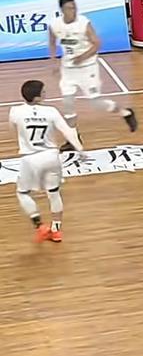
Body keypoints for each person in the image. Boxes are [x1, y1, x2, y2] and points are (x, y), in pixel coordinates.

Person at [48, 0, 138, 144]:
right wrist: (53, 61)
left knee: (96, 102)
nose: (74, 10)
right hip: (68, 69)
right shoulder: (55, 24)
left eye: (74, 7)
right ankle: (73, 139)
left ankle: (126, 113)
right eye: (70, 8)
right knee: (67, 104)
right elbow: (52, 42)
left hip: (87, 68)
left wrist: (82, 57)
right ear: (62, 10)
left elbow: (97, 44)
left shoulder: (83, 23)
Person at [8, 79, 83, 243]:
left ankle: (39, 226)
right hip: (51, 157)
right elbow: (68, 132)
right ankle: (56, 230)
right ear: (37, 97)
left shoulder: (15, 111)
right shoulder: (51, 111)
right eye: (43, 91)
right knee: (54, 193)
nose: (45, 93)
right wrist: (80, 148)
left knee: (23, 193)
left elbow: (13, 129)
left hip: (30, 158)